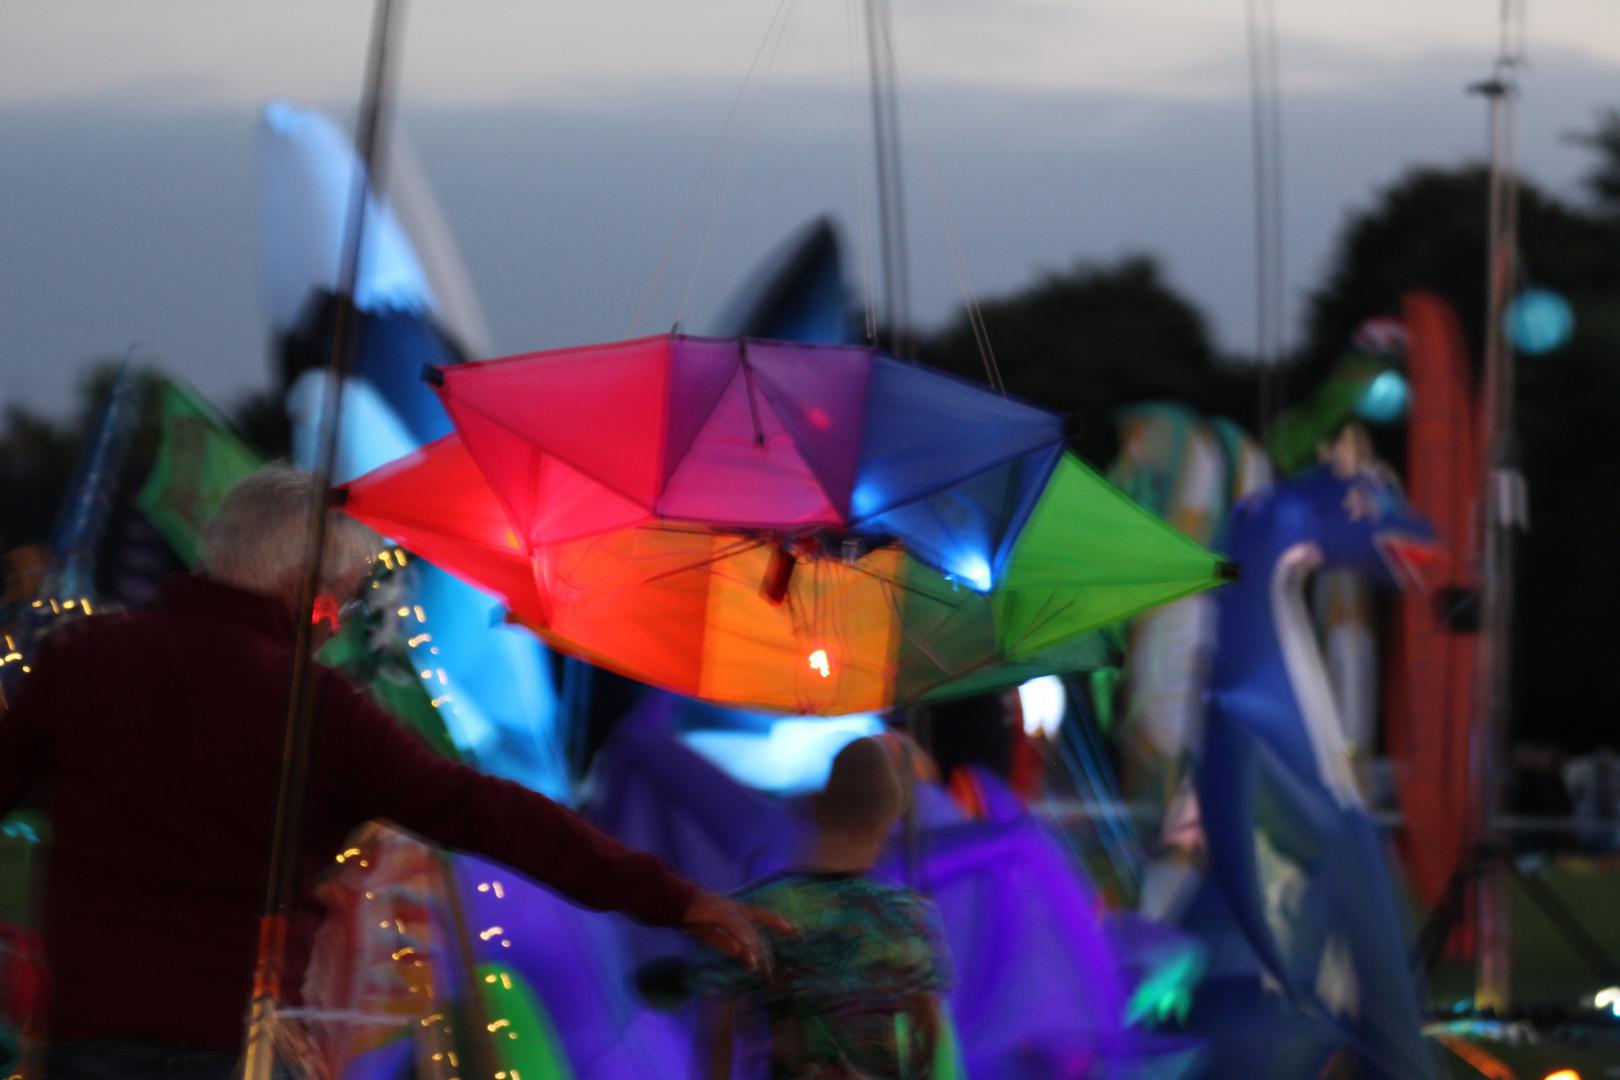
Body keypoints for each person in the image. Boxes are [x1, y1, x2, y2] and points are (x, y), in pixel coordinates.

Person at [0, 466, 785, 1077]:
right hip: (237, 1044)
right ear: (301, 589)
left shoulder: (81, 661)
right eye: (337, 601)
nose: (336, 624)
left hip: (83, 1040)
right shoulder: (316, 708)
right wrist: (674, 898)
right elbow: (484, 812)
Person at [697, 736, 954, 1079]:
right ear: (881, 826)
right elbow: (933, 1036)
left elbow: (716, 1039)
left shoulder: (754, 912)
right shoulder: (908, 916)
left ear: (819, 813)